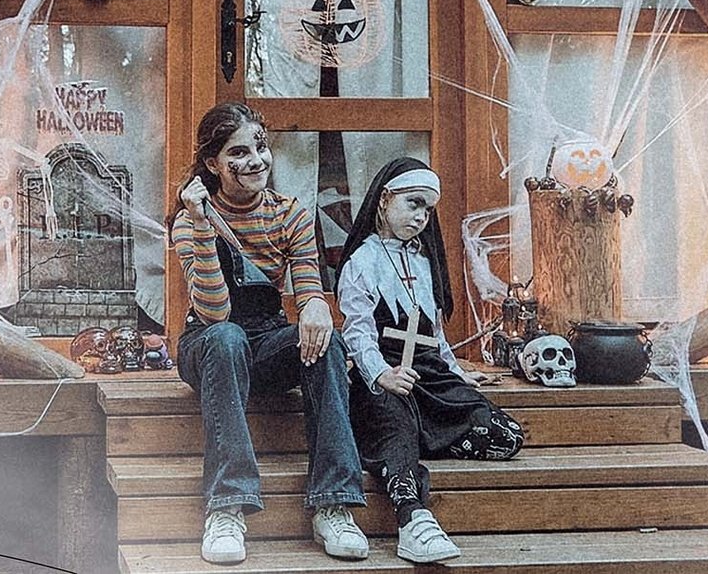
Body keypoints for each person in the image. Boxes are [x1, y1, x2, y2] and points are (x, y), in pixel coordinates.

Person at [171, 102, 368, 565]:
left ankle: (333, 503)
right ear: (212, 165)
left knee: (329, 343)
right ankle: (227, 507)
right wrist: (202, 225)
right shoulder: (189, 220)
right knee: (227, 339)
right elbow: (215, 312)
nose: (255, 160)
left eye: (260, 147)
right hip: (209, 342)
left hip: (267, 337)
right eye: (238, 152)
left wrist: (317, 305)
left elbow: (307, 284)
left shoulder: (290, 214)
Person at [335, 157, 525, 564]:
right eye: (413, 204)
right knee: (395, 421)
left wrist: (459, 373)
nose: (421, 217)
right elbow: (357, 333)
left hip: (429, 376)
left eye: (427, 209)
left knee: (506, 434)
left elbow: (436, 335)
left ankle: (409, 435)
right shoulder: (362, 263)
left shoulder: (423, 263)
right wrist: (381, 374)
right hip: (384, 377)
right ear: (385, 200)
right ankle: (412, 517)